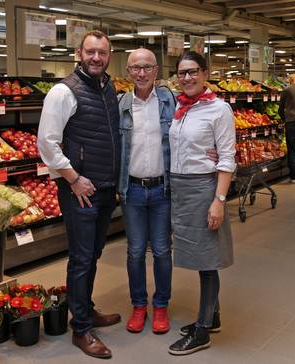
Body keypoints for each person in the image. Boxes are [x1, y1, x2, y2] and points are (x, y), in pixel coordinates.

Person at [37, 30, 121, 359]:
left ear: (109, 54)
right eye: (90, 52)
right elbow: (47, 142)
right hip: (80, 190)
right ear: (79, 52)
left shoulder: (107, 87)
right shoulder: (62, 91)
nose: (96, 57)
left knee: (94, 253)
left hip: (103, 188)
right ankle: (81, 328)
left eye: (102, 52)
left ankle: (85, 308)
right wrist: (73, 178)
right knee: (82, 258)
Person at [167, 51, 236, 355]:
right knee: (200, 258)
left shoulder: (219, 110)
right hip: (180, 189)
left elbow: (228, 158)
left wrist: (218, 200)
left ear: (205, 73)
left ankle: (203, 330)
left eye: (193, 71)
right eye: (182, 73)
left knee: (207, 261)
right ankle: (214, 315)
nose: (187, 78)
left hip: (204, 189)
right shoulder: (180, 107)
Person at [117, 48, 175, 335]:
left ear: (156, 71)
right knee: (136, 251)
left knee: (163, 250)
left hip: (162, 189)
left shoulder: (169, 101)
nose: (141, 73)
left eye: (147, 67)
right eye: (135, 68)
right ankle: (139, 305)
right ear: (128, 71)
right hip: (133, 191)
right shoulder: (121, 104)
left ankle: (161, 304)